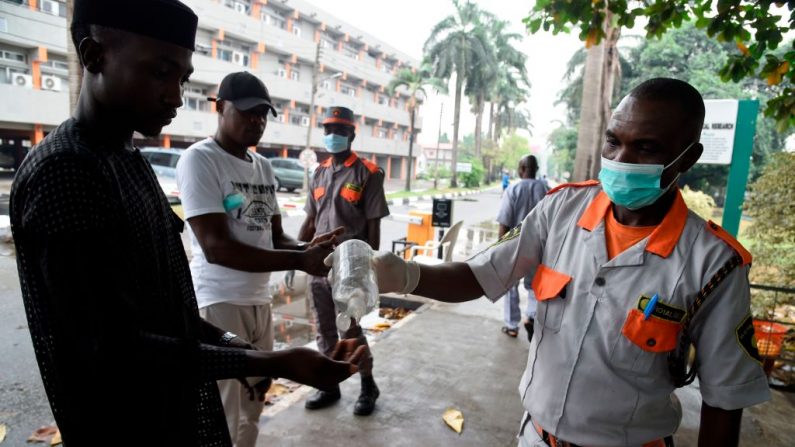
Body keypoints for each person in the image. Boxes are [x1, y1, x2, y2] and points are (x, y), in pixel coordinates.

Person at [9, 1, 363, 445]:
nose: (175, 96)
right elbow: (117, 350)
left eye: (182, 79)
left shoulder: (127, 160)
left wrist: (244, 350)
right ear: (94, 56)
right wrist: (269, 362)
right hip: (125, 427)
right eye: (160, 72)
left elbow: (167, 312)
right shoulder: (66, 173)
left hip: (169, 414)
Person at [359, 78, 771, 446]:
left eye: (646, 147)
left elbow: (725, 396)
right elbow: (480, 274)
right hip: (535, 437)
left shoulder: (714, 264)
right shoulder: (560, 210)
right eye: (613, 141)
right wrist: (404, 275)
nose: (621, 159)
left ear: (687, 157)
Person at [176, 71, 343, 447]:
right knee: (224, 407)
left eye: (263, 114)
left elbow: (275, 236)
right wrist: (299, 262)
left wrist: (309, 249)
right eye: (248, 112)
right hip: (219, 304)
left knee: (254, 398)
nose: (257, 121)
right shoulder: (200, 161)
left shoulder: (263, 166)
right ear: (220, 108)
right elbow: (215, 247)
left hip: (259, 301)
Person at [298, 106, 390, 416]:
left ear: (351, 134)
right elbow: (311, 221)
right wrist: (296, 255)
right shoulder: (320, 172)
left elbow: (374, 234)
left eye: (339, 130)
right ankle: (329, 385)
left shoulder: (368, 173)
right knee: (324, 331)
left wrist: (360, 265)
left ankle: (368, 384)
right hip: (317, 265)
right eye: (327, 130)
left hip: (349, 268)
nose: (332, 136)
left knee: (350, 330)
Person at [497, 155, 547, 341]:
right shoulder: (546, 189)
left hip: (514, 246)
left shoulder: (513, 188)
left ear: (523, 168)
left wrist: (499, 250)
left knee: (510, 286)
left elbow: (504, 222)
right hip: (540, 247)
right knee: (535, 285)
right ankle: (532, 316)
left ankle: (511, 326)